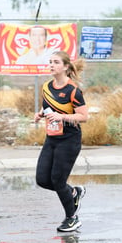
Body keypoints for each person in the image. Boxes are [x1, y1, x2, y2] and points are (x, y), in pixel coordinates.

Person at [34, 50, 88, 232]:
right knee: (42, 179)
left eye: (56, 62)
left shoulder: (73, 91)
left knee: (58, 180)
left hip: (69, 140)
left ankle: (72, 218)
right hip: (52, 138)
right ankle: (74, 192)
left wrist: (62, 117)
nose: (51, 65)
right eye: (50, 62)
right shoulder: (47, 87)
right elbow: (47, 107)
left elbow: (83, 117)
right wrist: (40, 114)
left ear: (65, 67)